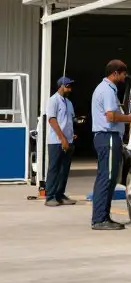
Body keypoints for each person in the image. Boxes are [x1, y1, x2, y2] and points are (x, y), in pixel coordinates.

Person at [90, 60, 131, 231]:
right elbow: (111, 116)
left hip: (104, 137)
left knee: (105, 177)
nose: (124, 77)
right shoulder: (108, 90)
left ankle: (101, 216)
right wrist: (130, 118)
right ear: (115, 73)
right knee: (107, 178)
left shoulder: (102, 89)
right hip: (108, 137)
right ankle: (100, 219)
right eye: (123, 73)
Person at [44, 76, 77, 207]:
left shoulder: (68, 103)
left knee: (64, 169)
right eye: (68, 85)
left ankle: (60, 194)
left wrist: (71, 134)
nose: (70, 88)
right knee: (54, 168)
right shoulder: (53, 100)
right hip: (56, 141)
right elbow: (52, 120)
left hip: (68, 140)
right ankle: (50, 196)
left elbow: (69, 119)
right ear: (61, 86)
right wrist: (62, 138)